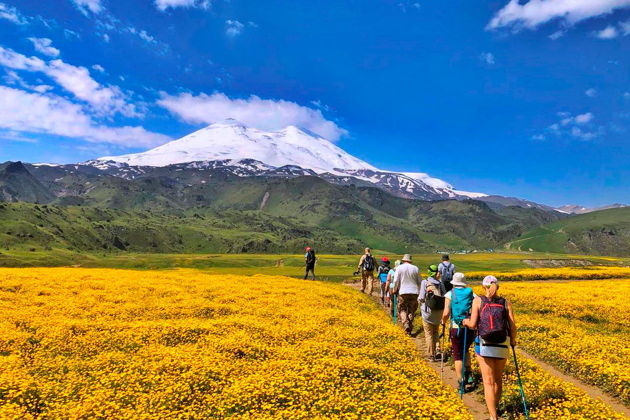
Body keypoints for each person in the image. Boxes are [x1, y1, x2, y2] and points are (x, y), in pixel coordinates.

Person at [463, 276, 517, 420]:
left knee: (488, 381)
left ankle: (493, 416)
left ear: (483, 287)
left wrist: (465, 322)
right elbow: (512, 326)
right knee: (497, 380)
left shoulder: (478, 300)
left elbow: (473, 324)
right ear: (497, 287)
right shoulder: (505, 302)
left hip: (484, 344)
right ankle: (496, 407)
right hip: (502, 343)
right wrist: (513, 341)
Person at [441, 272, 476, 390]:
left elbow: (446, 313)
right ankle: (469, 375)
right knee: (465, 349)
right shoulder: (472, 293)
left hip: (456, 328)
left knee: (457, 355)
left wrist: (443, 321)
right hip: (470, 327)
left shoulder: (450, 294)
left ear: (454, 283)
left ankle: (461, 382)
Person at [419, 264, 446, 361]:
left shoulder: (425, 282)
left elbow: (421, 297)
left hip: (428, 313)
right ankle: (438, 349)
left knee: (429, 333)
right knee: (435, 332)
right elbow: (444, 296)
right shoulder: (440, 283)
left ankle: (431, 355)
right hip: (438, 312)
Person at [393, 254, 421, 335]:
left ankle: (405, 324)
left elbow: (395, 281)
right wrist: (419, 291)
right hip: (414, 292)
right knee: (412, 309)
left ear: (403, 260)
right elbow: (419, 281)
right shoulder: (415, 268)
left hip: (403, 292)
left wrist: (395, 289)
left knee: (402, 309)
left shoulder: (399, 268)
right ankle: (410, 323)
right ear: (410, 260)